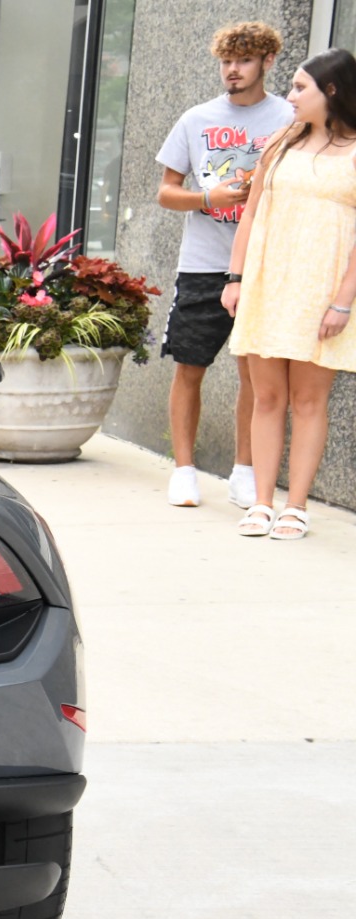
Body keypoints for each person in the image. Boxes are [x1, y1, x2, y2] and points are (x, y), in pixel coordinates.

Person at [155, 21, 292, 510]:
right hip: (203, 263)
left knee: (255, 374)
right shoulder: (195, 119)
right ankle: (184, 471)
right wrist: (207, 196)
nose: (232, 70)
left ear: (267, 62)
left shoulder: (292, 117)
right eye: (226, 61)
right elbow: (166, 192)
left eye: (244, 61)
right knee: (189, 367)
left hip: (265, 265)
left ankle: (244, 470)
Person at [223, 48, 356, 541]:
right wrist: (234, 279)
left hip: (322, 293)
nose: (290, 96)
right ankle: (261, 502)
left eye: (301, 88)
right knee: (267, 395)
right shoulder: (280, 143)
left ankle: (295, 506)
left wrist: (343, 299)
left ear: (333, 91)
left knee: (308, 400)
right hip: (267, 283)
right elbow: (251, 214)